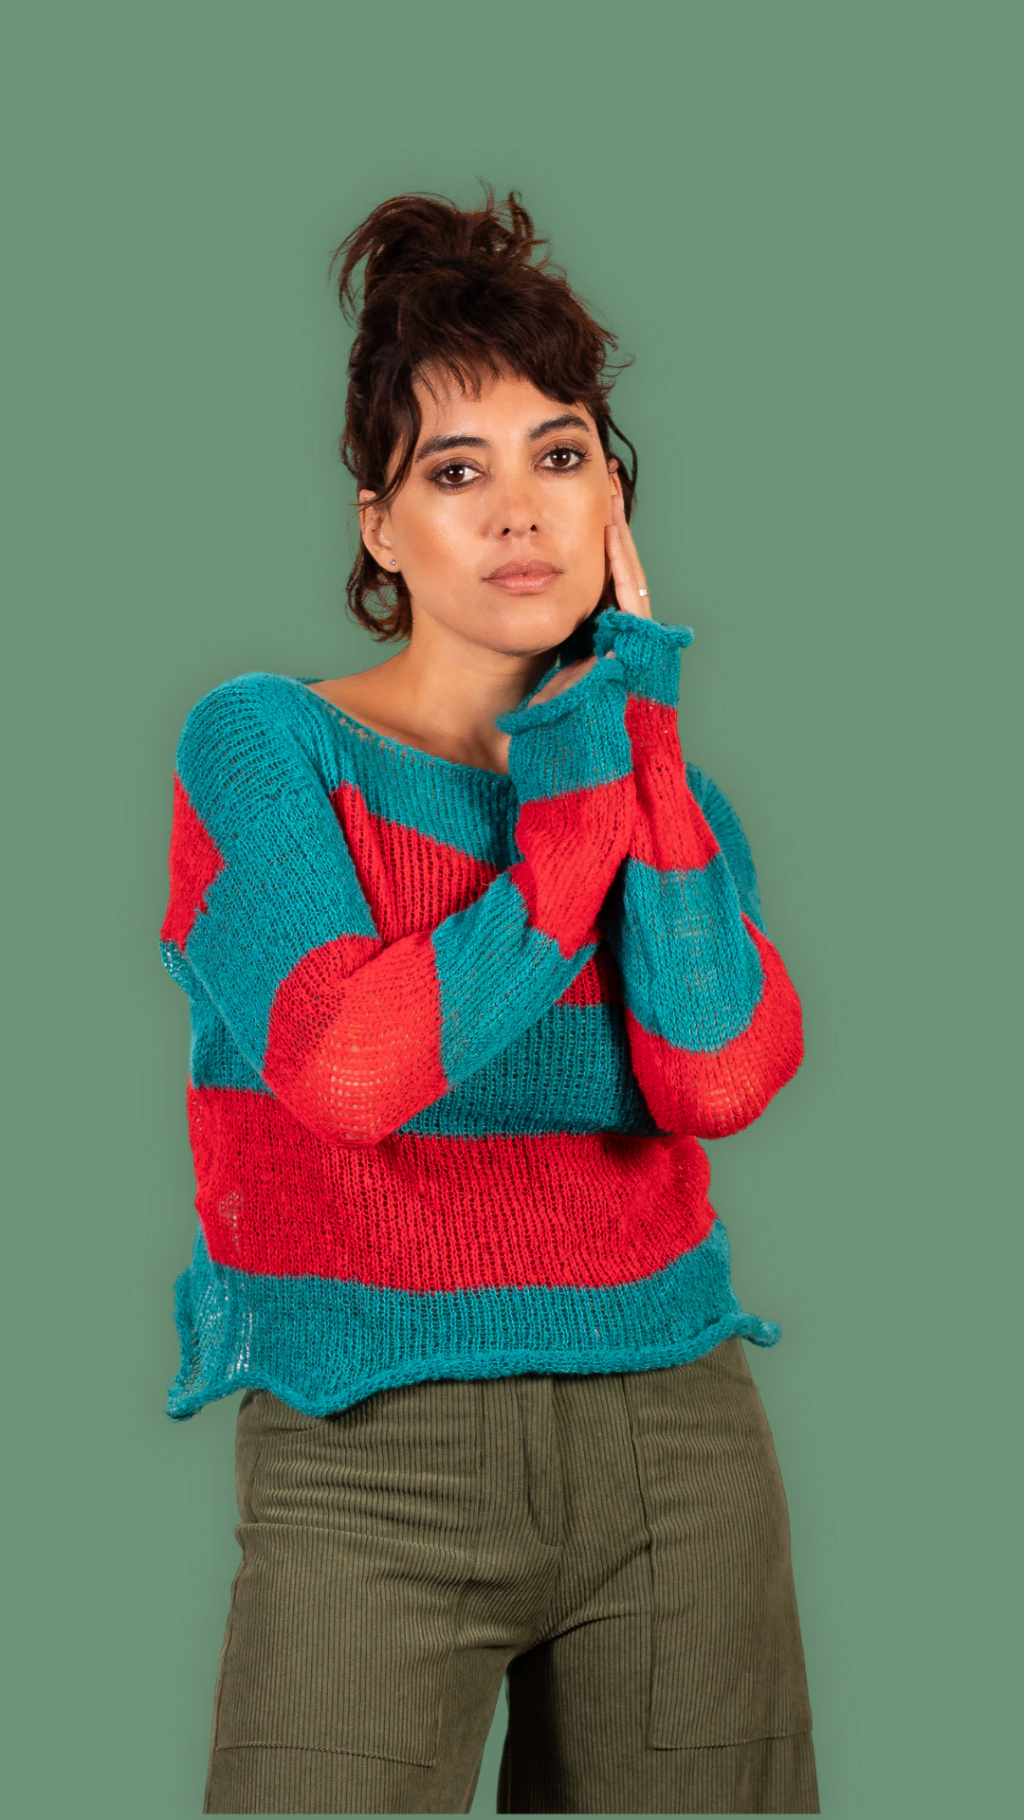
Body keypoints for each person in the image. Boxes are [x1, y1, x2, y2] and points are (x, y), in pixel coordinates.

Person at [158, 187, 820, 1815]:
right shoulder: (265, 747)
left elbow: (719, 1073)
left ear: (614, 499)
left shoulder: (668, 794)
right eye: (456, 472)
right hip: (365, 1442)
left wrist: (632, 747)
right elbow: (350, 1065)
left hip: (673, 1437)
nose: (520, 511)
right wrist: (578, 810)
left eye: (561, 455)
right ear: (380, 528)